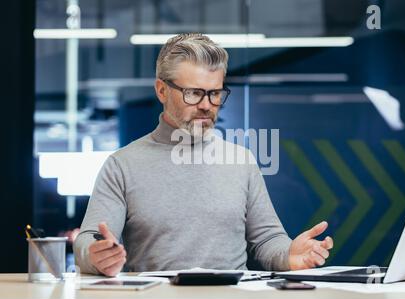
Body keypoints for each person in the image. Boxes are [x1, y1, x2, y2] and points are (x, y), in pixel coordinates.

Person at [74, 33, 333, 276]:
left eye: (215, 93)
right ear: (162, 90)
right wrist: (96, 256)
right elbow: (88, 240)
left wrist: (289, 255)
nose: (206, 105)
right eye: (194, 93)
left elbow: (267, 241)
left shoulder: (241, 161)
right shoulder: (122, 165)